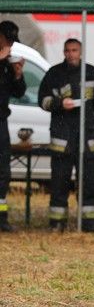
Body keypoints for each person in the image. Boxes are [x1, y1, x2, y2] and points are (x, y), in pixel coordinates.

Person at [38, 39, 94, 232]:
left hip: (87, 137)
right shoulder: (54, 73)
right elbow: (42, 101)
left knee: (89, 183)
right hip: (62, 138)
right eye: (67, 50)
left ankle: (89, 223)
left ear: (80, 51)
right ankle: (57, 223)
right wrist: (60, 104)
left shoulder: (91, 72)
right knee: (59, 183)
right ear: (63, 52)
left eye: (74, 50)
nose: (71, 54)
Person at [0, 21, 25, 232]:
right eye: (6, 40)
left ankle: (1, 218)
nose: (9, 45)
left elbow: (18, 92)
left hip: (1, 122)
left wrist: (17, 74)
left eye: (11, 41)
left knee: (3, 172)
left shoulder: (8, 64)